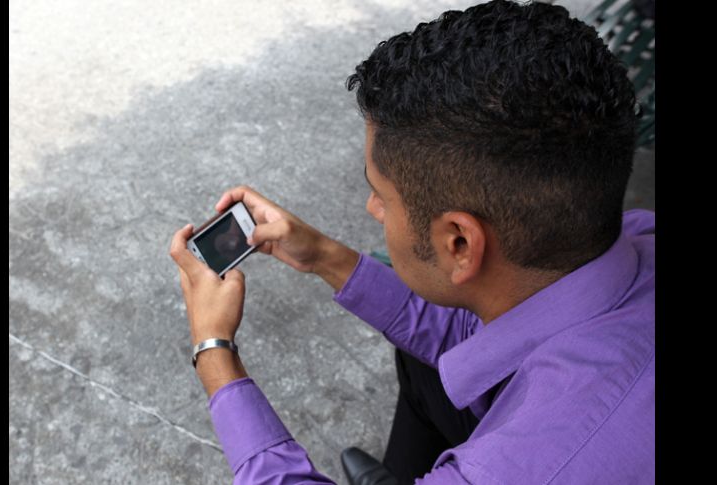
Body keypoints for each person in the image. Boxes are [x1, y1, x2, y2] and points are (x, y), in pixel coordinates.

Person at [168, 0, 654, 483]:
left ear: (459, 243)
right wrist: (321, 255)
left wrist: (213, 348)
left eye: (381, 195)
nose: (372, 208)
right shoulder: (633, 238)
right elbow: (463, 333)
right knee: (428, 362)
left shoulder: (521, 469)